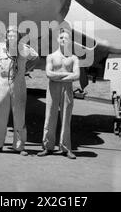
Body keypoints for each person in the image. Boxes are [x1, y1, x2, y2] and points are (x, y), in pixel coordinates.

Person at [0, 26, 38, 156]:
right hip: (3, 82)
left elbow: (36, 58)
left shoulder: (24, 48)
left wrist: (26, 69)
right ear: (6, 36)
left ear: (19, 37)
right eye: (10, 34)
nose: (12, 37)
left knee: (19, 115)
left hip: (19, 83)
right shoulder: (0, 47)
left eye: (15, 34)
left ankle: (19, 146)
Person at [37, 28, 80, 159]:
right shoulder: (51, 56)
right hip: (53, 89)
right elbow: (48, 74)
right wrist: (68, 74)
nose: (63, 40)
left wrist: (58, 76)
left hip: (67, 89)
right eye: (61, 37)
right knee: (49, 117)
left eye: (66, 38)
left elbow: (77, 75)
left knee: (66, 118)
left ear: (70, 41)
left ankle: (66, 148)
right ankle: (47, 147)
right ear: (57, 39)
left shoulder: (73, 58)